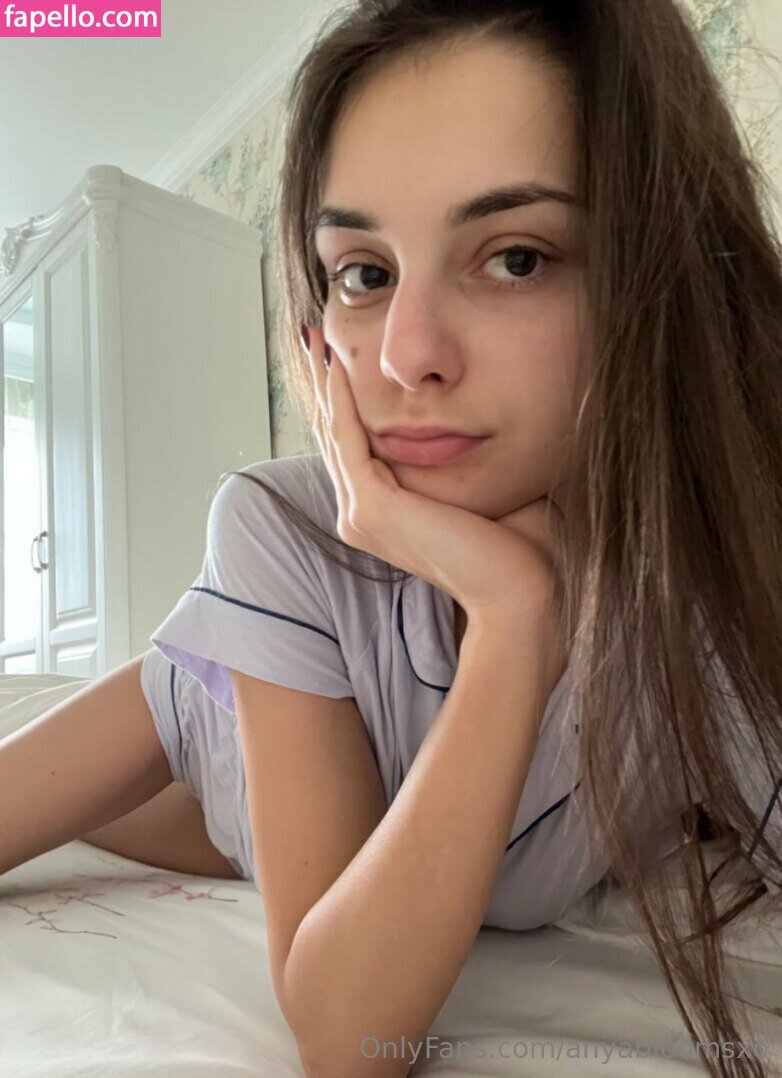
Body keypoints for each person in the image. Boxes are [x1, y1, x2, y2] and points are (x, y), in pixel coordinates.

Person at [2, 2, 781, 1076]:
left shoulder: (715, 578)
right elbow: (347, 1039)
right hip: (205, 735)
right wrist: (516, 615)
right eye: (364, 274)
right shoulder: (283, 526)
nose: (408, 354)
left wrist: (529, 614)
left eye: (515, 257)